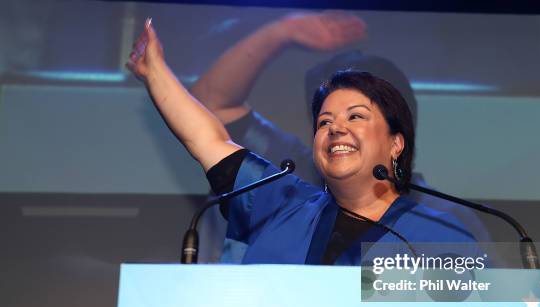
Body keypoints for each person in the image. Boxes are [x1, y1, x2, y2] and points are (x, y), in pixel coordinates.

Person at [127, 19, 475, 265]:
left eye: (355, 116)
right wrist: (154, 71)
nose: (335, 129)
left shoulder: (438, 231)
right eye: (325, 122)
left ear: (396, 143)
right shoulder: (279, 204)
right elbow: (208, 138)